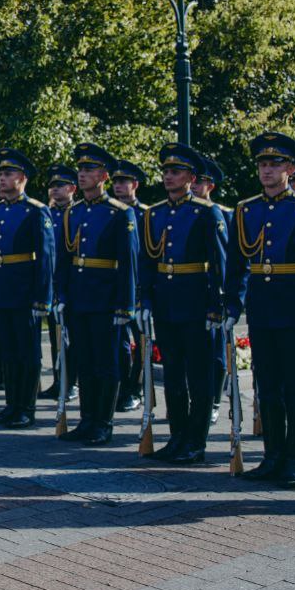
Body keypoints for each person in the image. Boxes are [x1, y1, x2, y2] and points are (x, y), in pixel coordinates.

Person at [223, 132, 295, 488]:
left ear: (291, 169)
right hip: (263, 309)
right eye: (262, 164)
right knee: (268, 388)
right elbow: (237, 265)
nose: (267, 170)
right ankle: (272, 456)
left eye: (275, 164)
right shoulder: (247, 209)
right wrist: (231, 305)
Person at [138, 144, 227, 463]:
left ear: (191, 178)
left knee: (199, 377)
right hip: (166, 304)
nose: (168, 176)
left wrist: (217, 307)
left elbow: (219, 264)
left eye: (175, 172)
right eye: (166, 171)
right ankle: (177, 437)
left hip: (197, 304)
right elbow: (147, 262)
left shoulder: (206, 212)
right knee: (173, 375)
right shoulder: (155, 213)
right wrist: (145, 300)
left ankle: (195, 441)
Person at [54, 145, 138, 446]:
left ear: (104, 176)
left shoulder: (120, 213)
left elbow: (128, 263)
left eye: (90, 170)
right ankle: (87, 419)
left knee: (106, 362)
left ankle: (103, 422)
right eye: (81, 169)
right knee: (84, 360)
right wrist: (61, 295)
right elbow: (65, 258)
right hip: (79, 298)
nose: (83, 174)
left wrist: (125, 305)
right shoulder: (73, 212)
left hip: (106, 299)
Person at [0, 149, 55, 428]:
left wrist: (42, 297)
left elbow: (46, 258)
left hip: (24, 292)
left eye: (8, 174)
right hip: (0, 290)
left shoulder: (35, 211)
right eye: (0, 174)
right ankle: (11, 405)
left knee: (27, 351)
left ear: (22, 178)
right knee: (6, 350)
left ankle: (25, 408)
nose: (1, 179)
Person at [192, 155, 232, 423]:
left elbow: (226, 259)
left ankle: (215, 399)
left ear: (211, 186)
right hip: (192, 294)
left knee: (217, 353)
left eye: (201, 182)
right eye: (194, 181)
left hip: (212, 293)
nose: (195, 186)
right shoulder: (186, 213)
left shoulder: (223, 214)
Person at [111, 159, 150, 413]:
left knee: (142, 341)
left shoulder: (146, 214)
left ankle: (136, 388)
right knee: (119, 343)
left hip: (140, 288)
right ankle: (122, 386)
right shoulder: (111, 212)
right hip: (116, 287)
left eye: (123, 181)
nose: (118, 186)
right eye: (115, 181)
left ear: (134, 184)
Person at [42, 164, 80, 403]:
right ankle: (59, 380)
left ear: (72, 188)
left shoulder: (76, 213)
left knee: (70, 337)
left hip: (71, 284)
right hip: (51, 283)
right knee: (56, 335)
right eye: (52, 186)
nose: (54, 190)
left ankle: (71, 381)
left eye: (60, 185)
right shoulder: (47, 213)